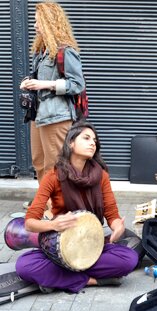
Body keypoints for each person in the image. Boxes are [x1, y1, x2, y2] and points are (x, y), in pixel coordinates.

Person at [15, 121, 138, 294]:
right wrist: (53, 225)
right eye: (86, 138)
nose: (92, 143)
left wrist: (118, 227)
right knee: (24, 266)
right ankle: (90, 280)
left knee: (129, 259)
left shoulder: (101, 175)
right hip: (58, 248)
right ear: (70, 143)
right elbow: (30, 223)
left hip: (90, 246)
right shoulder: (53, 176)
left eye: (95, 140)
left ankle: (59, 278)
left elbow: (111, 213)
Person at [20, 1, 85, 193]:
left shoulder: (66, 51)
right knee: (39, 163)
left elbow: (77, 84)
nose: (34, 26)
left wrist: (45, 84)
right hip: (39, 115)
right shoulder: (43, 52)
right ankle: (46, 201)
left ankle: (58, 207)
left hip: (57, 117)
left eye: (38, 21)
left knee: (55, 165)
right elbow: (43, 78)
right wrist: (30, 81)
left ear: (49, 22)